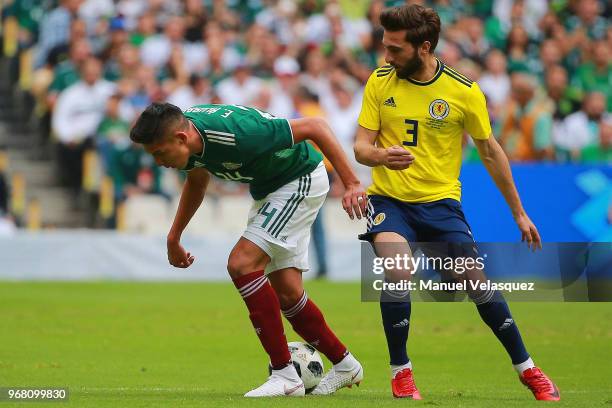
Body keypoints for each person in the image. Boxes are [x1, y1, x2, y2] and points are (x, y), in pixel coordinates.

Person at [353, 4, 559, 401]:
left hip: (441, 204)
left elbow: (491, 151)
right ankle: (402, 372)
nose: (387, 56)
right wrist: (381, 156)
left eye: (395, 49)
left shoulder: (463, 92)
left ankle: (528, 369)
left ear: (424, 47)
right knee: (398, 269)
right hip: (390, 200)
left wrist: (519, 212)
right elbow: (361, 147)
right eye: (385, 47)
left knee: (475, 283)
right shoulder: (379, 81)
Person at [129, 102, 367, 397]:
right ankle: (345, 364)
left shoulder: (240, 133)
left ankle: (284, 374)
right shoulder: (189, 143)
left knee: (241, 263)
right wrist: (173, 237)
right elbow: (197, 182)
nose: (158, 162)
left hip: (298, 178)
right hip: (270, 190)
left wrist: (353, 183)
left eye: (159, 153)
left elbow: (315, 127)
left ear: (180, 138)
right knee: (288, 294)